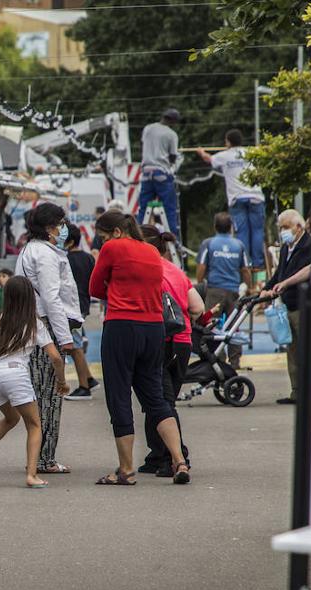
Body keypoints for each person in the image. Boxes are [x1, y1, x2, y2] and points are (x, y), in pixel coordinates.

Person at [88, 210, 191, 486]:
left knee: (119, 396)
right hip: (153, 329)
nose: (102, 242)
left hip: (122, 327)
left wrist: (113, 282)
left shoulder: (112, 248)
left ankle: (126, 470)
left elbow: (95, 288)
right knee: (155, 397)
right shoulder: (151, 251)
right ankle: (179, 460)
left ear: (117, 232)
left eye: (103, 236)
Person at [0, 276, 68, 488]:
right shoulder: (35, 323)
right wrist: (62, 380)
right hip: (16, 375)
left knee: (11, 418)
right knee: (34, 424)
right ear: (30, 298)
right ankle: (32, 475)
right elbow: (56, 357)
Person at [16, 203, 76, 475]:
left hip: (31, 325)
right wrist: (65, 339)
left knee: (37, 395)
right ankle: (45, 458)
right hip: (47, 327)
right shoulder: (47, 255)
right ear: (50, 226)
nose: (64, 228)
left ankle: (37, 456)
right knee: (50, 396)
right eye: (61, 223)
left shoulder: (28, 250)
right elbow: (52, 298)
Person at [141, 225, 204, 476]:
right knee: (159, 399)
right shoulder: (176, 271)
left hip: (160, 340)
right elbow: (197, 306)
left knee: (160, 401)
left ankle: (175, 457)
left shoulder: (147, 270)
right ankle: (156, 455)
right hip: (183, 341)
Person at [260, 209, 311, 405]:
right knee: (292, 351)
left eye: (286, 227)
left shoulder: (310, 245)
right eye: (281, 228)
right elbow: (279, 275)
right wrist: (266, 290)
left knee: (305, 349)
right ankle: (296, 392)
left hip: (303, 305)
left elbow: (307, 271)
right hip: (288, 305)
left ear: (298, 227)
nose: (283, 232)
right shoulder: (285, 248)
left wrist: (283, 285)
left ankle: (309, 393)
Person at [198, 129, 265, 276]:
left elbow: (209, 159)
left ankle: (245, 263)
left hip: (237, 199)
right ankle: (258, 266)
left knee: (242, 232)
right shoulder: (251, 152)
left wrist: (201, 151)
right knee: (257, 232)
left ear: (228, 142)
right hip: (256, 197)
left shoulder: (224, 155)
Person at [196, 212, 253, 369]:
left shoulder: (208, 243)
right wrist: (248, 288)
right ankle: (235, 362)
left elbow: (201, 267)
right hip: (234, 292)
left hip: (214, 290)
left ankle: (218, 360)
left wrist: (200, 285)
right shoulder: (239, 245)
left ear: (215, 226)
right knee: (234, 326)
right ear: (230, 227)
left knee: (211, 326)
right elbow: (246, 270)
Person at [61, 226, 99, 401]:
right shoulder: (88, 258)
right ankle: (89, 379)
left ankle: (84, 387)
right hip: (83, 305)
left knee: (75, 347)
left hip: (70, 308)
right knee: (76, 343)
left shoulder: (64, 260)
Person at [136, 108, 182, 237]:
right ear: (173, 121)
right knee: (169, 210)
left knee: (143, 209)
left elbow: (142, 145)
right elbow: (173, 157)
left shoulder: (148, 128)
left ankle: (138, 235)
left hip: (146, 173)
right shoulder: (171, 134)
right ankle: (172, 238)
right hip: (161, 173)